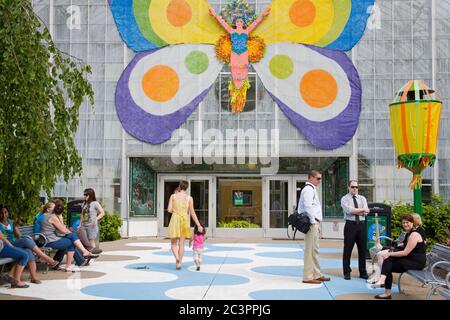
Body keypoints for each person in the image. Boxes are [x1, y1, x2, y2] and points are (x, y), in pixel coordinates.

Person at [209, 5, 270, 112]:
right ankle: (235, 95)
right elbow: (222, 23)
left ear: (243, 23)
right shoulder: (231, 31)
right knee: (235, 69)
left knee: (243, 70)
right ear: (235, 23)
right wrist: (215, 15)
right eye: (238, 22)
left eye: (241, 22)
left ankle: (241, 95)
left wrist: (263, 16)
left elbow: (255, 24)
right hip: (234, 54)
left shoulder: (246, 32)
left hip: (243, 54)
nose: (239, 23)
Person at [371, 214, 427, 299]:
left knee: (387, 263)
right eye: (403, 223)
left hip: (416, 262)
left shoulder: (414, 234)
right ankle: (384, 285)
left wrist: (390, 253)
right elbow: (402, 247)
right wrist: (389, 252)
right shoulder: (409, 233)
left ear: (412, 223)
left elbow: (405, 252)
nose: (405, 224)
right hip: (410, 258)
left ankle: (385, 288)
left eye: (407, 222)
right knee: (387, 260)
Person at [0, 205, 58, 284]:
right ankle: (47, 258)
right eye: (1, 213)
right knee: (26, 242)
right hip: (5, 245)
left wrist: (17, 230)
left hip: (14, 243)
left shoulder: (11, 222)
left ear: (8, 213)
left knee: (28, 249)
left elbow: (19, 235)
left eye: (5, 212)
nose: (3, 214)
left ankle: (33, 277)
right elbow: (3, 239)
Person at [41, 200, 98, 272]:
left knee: (71, 238)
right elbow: (63, 230)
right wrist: (69, 231)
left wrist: (67, 230)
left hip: (50, 238)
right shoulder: (53, 217)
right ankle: (70, 264)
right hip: (49, 241)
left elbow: (60, 229)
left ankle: (82, 254)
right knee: (71, 241)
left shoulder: (50, 216)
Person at [298, 170, 330, 284]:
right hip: (312, 222)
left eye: (320, 178)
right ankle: (308, 276)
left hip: (315, 222)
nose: (320, 181)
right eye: (318, 178)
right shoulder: (308, 190)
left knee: (315, 250)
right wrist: (312, 221)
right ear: (311, 178)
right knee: (310, 250)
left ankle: (317, 274)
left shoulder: (311, 189)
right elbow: (308, 206)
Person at [167, 180, 203, 270]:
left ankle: (177, 259)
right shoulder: (189, 198)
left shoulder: (173, 196)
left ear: (179, 186)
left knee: (173, 243)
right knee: (182, 244)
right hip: (184, 220)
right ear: (186, 188)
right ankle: (180, 263)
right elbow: (193, 213)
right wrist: (198, 225)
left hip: (175, 219)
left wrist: (175, 210)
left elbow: (169, 210)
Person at [341, 180, 370, 280]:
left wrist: (356, 211)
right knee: (347, 250)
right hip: (350, 226)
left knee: (362, 250)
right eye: (353, 187)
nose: (354, 189)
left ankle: (363, 272)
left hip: (361, 226)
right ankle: (347, 272)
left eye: (356, 187)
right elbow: (349, 211)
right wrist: (361, 210)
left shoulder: (362, 198)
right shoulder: (344, 199)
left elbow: (366, 212)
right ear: (348, 187)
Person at [79, 188, 104, 254]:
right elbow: (82, 214)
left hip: (91, 225)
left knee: (91, 240)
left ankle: (92, 255)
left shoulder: (95, 203)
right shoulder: (84, 204)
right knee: (84, 240)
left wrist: (96, 218)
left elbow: (102, 213)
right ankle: (89, 253)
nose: (84, 196)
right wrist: (80, 224)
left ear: (90, 195)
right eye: (84, 194)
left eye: (86, 194)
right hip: (84, 225)